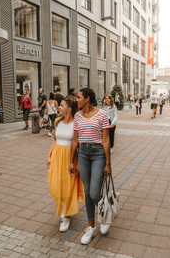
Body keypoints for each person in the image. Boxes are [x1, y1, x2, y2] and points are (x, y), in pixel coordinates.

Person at [69, 88, 111, 245]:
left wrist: (108, 163)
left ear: (87, 99)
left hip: (98, 154)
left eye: (78, 97)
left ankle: (105, 215)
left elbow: (106, 140)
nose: (76, 99)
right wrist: (72, 161)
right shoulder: (77, 116)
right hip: (83, 155)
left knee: (94, 192)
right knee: (87, 192)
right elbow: (75, 140)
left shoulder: (102, 115)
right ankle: (92, 227)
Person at [47, 96, 84, 232]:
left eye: (61, 105)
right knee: (55, 186)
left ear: (69, 109)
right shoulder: (57, 121)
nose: (59, 108)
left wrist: (75, 163)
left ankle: (66, 216)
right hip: (57, 157)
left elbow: (78, 145)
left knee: (68, 187)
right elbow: (54, 140)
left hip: (69, 158)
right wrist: (49, 156)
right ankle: (63, 208)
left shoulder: (76, 124)